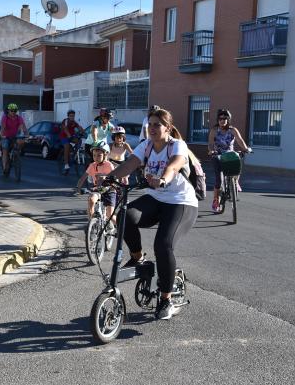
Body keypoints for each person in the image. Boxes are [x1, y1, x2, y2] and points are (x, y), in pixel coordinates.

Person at [106, 108, 198, 320]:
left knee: (163, 245)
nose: (152, 128)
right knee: (125, 215)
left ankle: (166, 300)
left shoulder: (177, 145)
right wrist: (109, 178)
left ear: (167, 128)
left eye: (157, 124)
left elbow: (175, 165)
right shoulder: (145, 146)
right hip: (156, 198)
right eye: (150, 124)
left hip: (180, 202)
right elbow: (130, 164)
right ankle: (138, 257)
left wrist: (164, 179)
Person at [207, 108, 252, 213]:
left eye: (225, 118)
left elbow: (240, 140)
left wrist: (246, 149)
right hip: (217, 155)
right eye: (220, 118)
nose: (222, 120)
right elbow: (210, 143)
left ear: (228, 119)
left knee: (237, 157)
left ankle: (235, 181)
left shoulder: (233, 130)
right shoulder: (214, 130)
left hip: (229, 154)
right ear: (218, 120)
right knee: (218, 180)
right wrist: (211, 151)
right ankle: (215, 200)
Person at [76, 141, 117, 232]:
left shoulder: (109, 165)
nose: (96, 158)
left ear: (105, 155)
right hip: (98, 189)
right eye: (94, 155)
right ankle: (91, 223)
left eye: (99, 155)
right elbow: (83, 177)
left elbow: (115, 178)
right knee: (91, 200)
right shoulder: (92, 165)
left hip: (109, 189)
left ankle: (121, 227)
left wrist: (105, 177)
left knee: (110, 215)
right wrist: (78, 188)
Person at [0, 103, 28, 176]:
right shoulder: (5, 117)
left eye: (15, 111)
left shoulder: (19, 118)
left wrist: (26, 135)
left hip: (15, 136)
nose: (13, 112)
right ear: (8, 111)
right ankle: (4, 166)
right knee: (5, 150)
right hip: (6, 136)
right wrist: (2, 135)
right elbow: (3, 127)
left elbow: (23, 127)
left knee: (21, 141)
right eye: (12, 111)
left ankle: (16, 154)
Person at [59, 109, 85, 174]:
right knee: (67, 146)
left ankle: (74, 154)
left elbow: (79, 127)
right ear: (68, 116)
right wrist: (68, 135)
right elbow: (65, 128)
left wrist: (83, 132)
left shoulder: (74, 122)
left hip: (71, 136)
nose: (72, 117)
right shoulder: (65, 121)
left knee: (79, 141)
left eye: (73, 116)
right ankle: (66, 164)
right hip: (64, 137)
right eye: (70, 116)